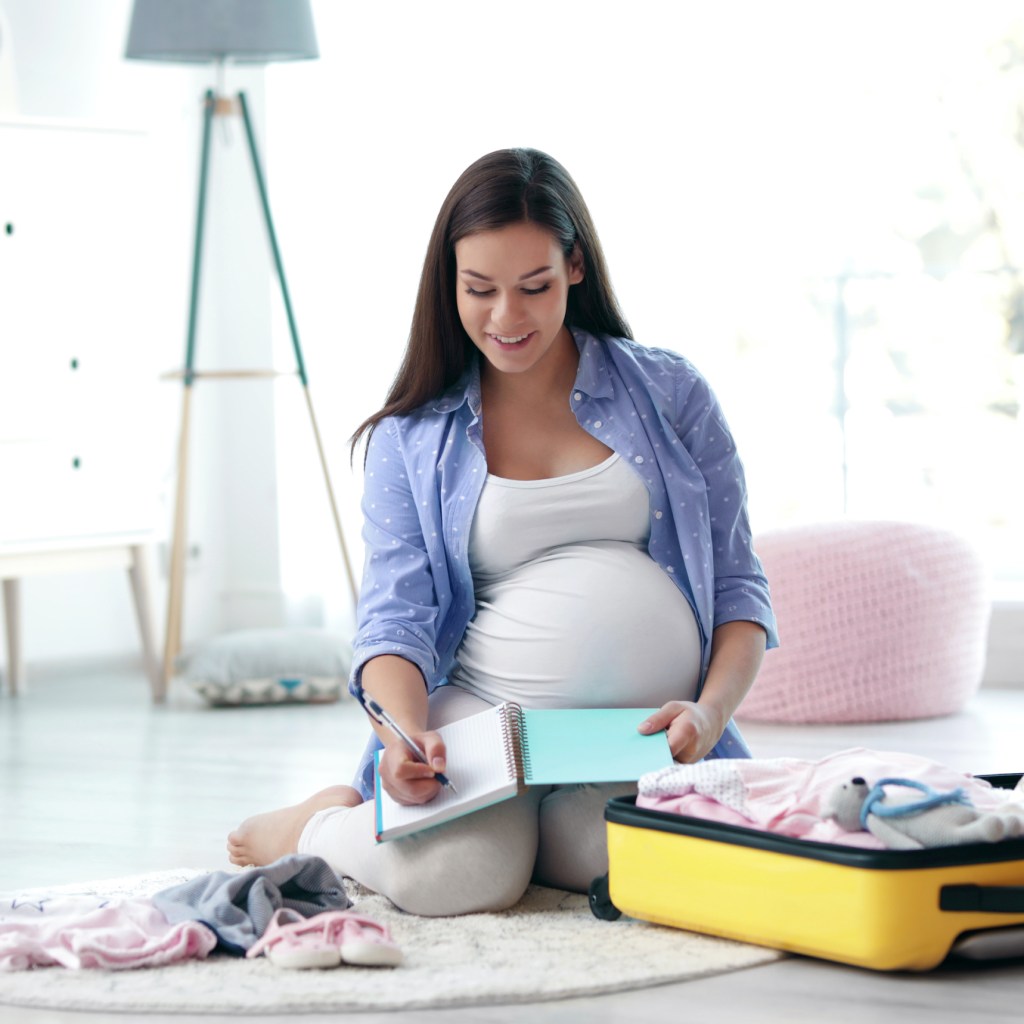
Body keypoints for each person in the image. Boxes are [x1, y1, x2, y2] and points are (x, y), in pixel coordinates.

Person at [228, 148, 777, 915]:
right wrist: (403, 737)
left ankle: (522, 825)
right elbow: (395, 617)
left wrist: (709, 713)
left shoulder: (671, 393)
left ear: (576, 267)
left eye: (535, 287)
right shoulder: (414, 438)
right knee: (457, 881)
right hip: (481, 720)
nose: (507, 318)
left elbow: (739, 587)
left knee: (640, 864)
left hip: (631, 741)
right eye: (480, 290)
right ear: (448, 283)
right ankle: (318, 826)